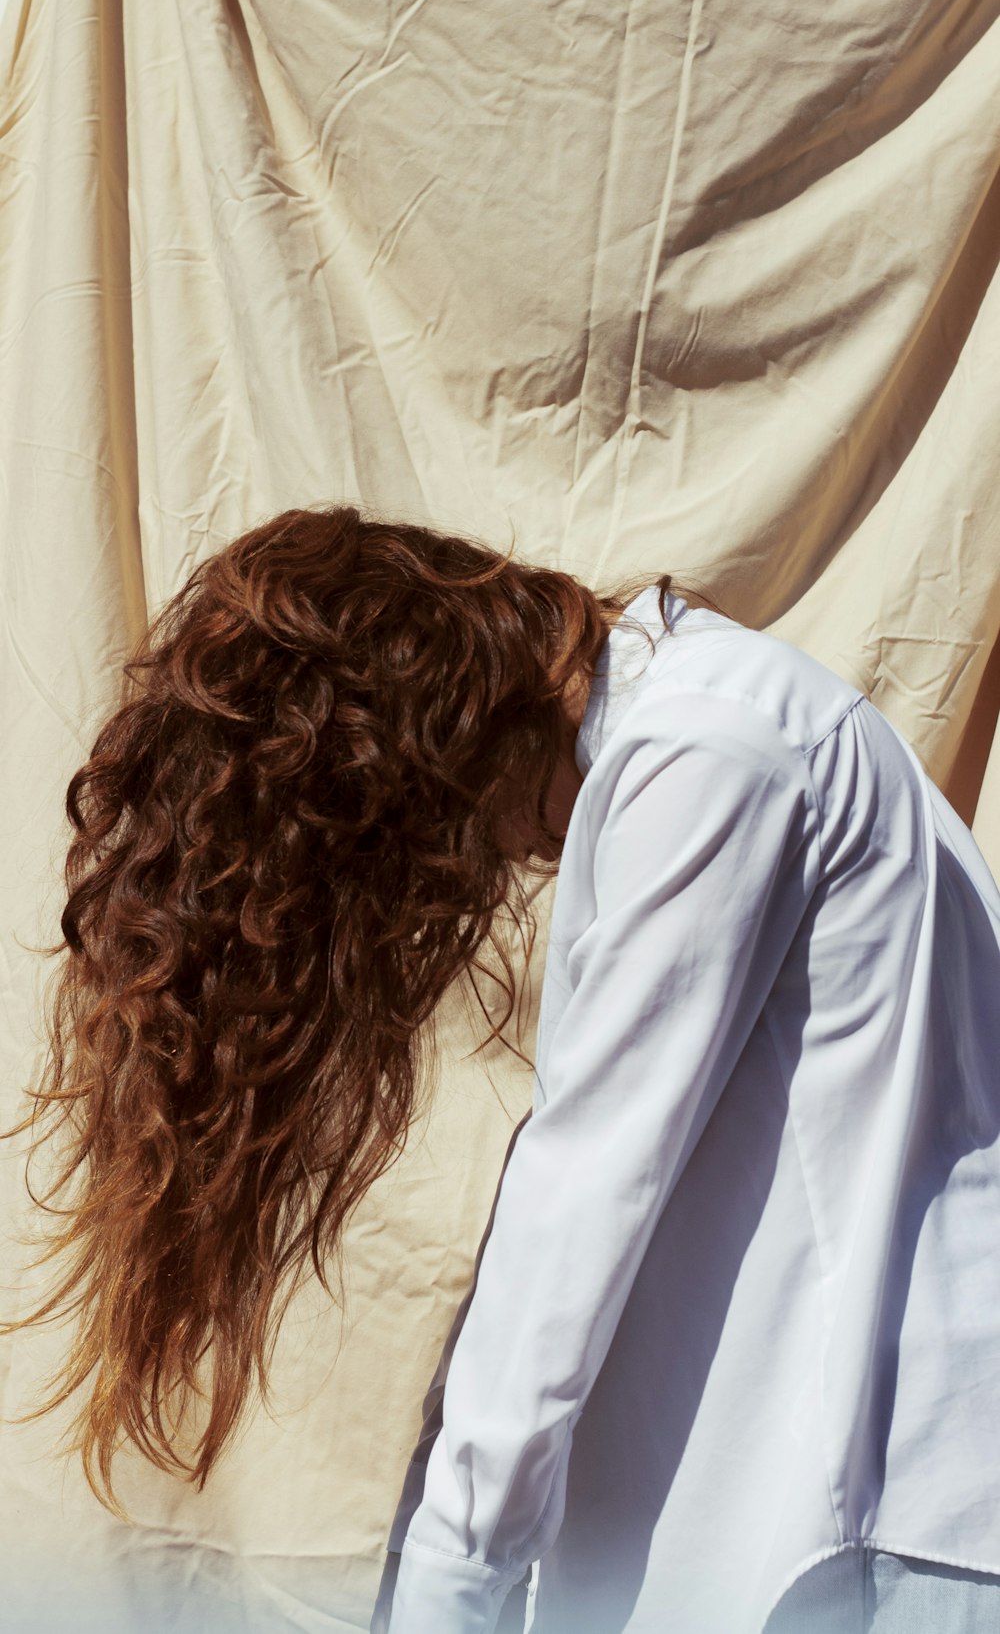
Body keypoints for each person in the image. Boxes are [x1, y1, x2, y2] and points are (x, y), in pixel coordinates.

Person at [6, 505, 1000, 1634]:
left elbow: (577, 1204)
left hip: (869, 1531)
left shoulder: (709, 751)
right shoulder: (684, 735)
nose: (474, 865)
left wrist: (442, 1593)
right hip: (831, 1531)